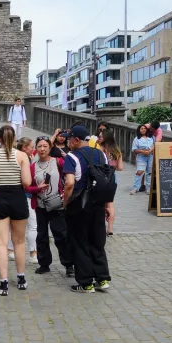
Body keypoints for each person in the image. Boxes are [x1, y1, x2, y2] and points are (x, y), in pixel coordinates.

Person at [0, 125, 32, 296]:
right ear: (15, 138)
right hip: (18, 197)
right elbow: (27, 181)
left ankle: (3, 283)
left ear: (0, 139)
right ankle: (21, 278)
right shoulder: (22, 156)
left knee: (1, 242)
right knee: (19, 241)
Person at [62, 124, 111, 294]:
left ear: (76, 140)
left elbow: (69, 183)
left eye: (69, 139)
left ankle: (86, 283)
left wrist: (65, 202)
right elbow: (107, 180)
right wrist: (108, 205)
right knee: (97, 242)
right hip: (97, 203)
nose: (67, 142)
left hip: (79, 205)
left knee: (80, 242)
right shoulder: (101, 154)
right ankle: (102, 278)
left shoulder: (71, 157)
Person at [28, 136, 74, 277]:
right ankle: (44, 263)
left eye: (45, 146)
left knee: (60, 235)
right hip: (41, 205)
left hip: (57, 205)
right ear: (36, 148)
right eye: (39, 146)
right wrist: (37, 188)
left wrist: (65, 196)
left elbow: (70, 177)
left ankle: (68, 264)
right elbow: (27, 187)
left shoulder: (59, 162)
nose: (42, 149)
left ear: (50, 147)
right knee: (41, 235)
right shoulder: (32, 167)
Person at [16, 137, 38, 265]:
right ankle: (33, 253)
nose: (34, 149)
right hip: (26, 195)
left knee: (15, 225)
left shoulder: (24, 157)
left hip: (20, 194)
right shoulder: (23, 159)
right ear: (25, 148)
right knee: (32, 224)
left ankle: (10, 250)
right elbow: (26, 183)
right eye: (32, 147)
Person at [98, 129, 123, 234]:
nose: (98, 138)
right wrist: (112, 167)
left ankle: (101, 227)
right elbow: (120, 167)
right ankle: (110, 229)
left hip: (101, 178)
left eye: (100, 136)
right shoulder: (117, 150)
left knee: (100, 203)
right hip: (113, 179)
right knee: (110, 204)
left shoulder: (100, 149)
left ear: (105, 138)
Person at [130, 124, 154, 194]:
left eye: (144, 128)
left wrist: (149, 151)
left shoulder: (150, 138)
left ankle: (148, 188)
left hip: (150, 156)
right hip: (141, 157)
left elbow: (154, 145)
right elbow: (134, 150)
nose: (143, 130)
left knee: (149, 173)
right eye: (141, 129)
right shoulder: (137, 139)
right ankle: (135, 188)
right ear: (139, 130)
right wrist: (142, 151)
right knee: (139, 172)